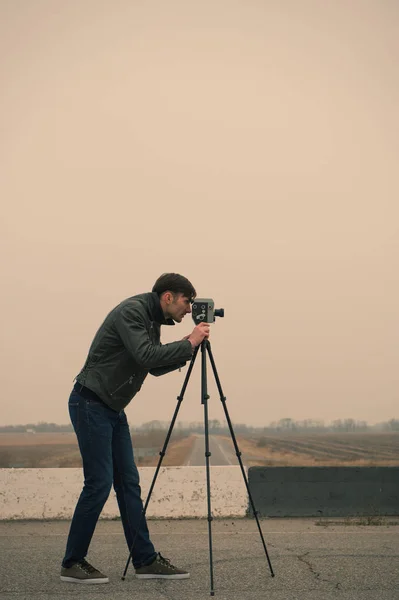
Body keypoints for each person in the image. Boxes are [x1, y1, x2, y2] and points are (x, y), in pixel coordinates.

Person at [60, 273, 209, 584]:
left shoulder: (151, 318)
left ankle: (145, 560)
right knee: (99, 483)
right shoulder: (133, 312)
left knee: (128, 483)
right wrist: (189, 342)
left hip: (112, 408)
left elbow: (152, 367)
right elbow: (146, 355)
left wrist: (188, 346)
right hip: (91, 403)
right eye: (186, 301)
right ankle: (72, 562)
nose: (189, 309)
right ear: (168, 297)